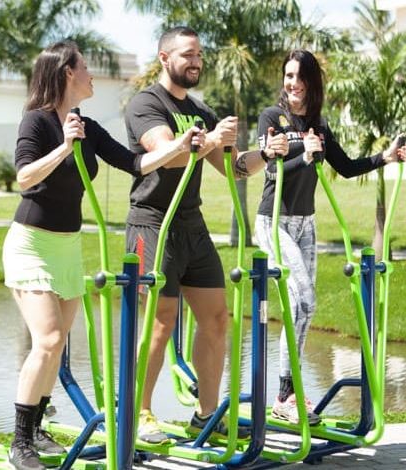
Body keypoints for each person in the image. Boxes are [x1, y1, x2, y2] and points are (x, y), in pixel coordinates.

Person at [3, 41, 205, 470]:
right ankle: (20, 442)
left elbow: (135, 163)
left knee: (56, 349)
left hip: (67, 245)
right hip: (32, 244)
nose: (92, 74)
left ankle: (37, 428)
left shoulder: (86, 125)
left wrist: (182, 146)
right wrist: (64, 146)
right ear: (66, 74)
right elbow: (22, 177)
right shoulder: (37, 122)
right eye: (86, 68)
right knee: (49, 340)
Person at [124, 26, 289, 444]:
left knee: (216, 319)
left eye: (199, 54)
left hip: (192, 227)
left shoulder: (199, 109)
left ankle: (206, 415)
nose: (196, 61)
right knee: (160, 324)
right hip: (152, 224)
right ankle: (141, 414)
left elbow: (232, 167)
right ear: (164, 58)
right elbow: (166, 157)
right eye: (187, 54)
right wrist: (206, 140)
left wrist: (266, 155)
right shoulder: (146, 104)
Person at [254, 49, 406, 425]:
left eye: (299, 77)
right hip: (273, 221)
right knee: (302, 296)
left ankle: (286, 393)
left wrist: (384, 158)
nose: (292, 84)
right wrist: (303, 157)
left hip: (306, 222)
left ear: (311, 83)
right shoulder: (272, 119)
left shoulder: (319, 126)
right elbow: (273, 169)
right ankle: (285, 395)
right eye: (288, 76)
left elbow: (345, 165)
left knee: (306, 307)